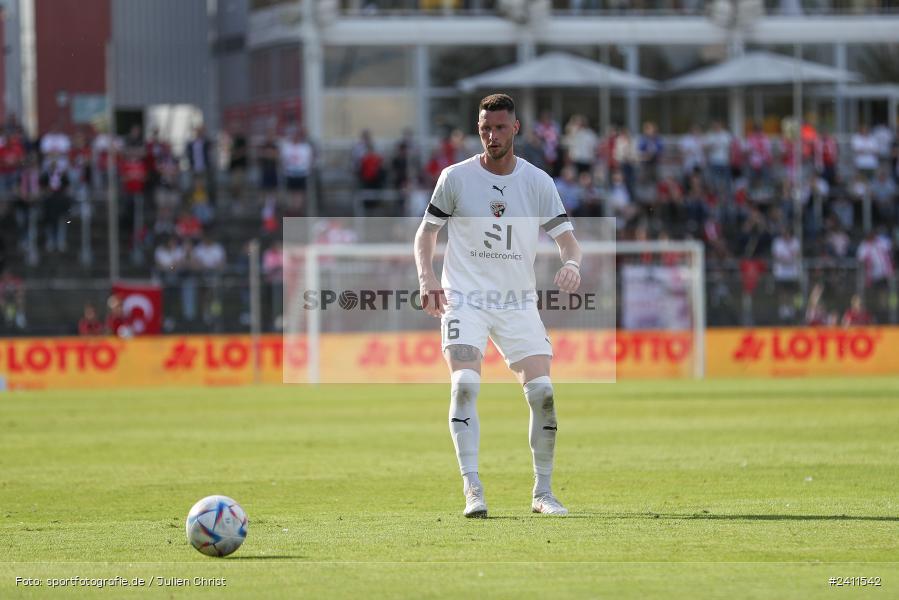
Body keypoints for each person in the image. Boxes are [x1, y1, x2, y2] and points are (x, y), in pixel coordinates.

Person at [414, 93, 581, 518]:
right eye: (485, 128)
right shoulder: (455, 178)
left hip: (517, 302)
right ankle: (473, 488)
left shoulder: (538, 183)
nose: (492, 135)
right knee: (465, 384)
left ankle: (543, 493)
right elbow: (426, 234)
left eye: (500, 127)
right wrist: (427, 278)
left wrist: (573, 264)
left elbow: (566, 239)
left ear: (516, 129)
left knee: (543, 394)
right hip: (464, 299)